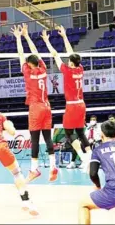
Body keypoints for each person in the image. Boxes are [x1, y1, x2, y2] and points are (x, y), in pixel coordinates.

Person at [11, 23, 58, 182]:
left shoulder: (28, 72)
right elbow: (35, 54)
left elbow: (21, 54)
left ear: (29, 65)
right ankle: (53, 166)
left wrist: (19, 38)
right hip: (47, 106)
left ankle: (33, 169)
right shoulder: (43, 68)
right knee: (48, 138)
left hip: (36, 107)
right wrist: (26, 36)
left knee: (35, 140)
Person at [42, 26, 91, 171]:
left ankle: (82, 157)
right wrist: (64, 36)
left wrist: (46, 41)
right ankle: (90, 156)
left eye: (69, 61)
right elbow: (72, 54)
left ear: (71, 63)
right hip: (81, 104)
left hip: (72, 106)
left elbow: (55, 54)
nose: (68, 61)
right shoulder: (80, 69)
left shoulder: (67, 71)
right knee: (81, 132)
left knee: (69, 133)